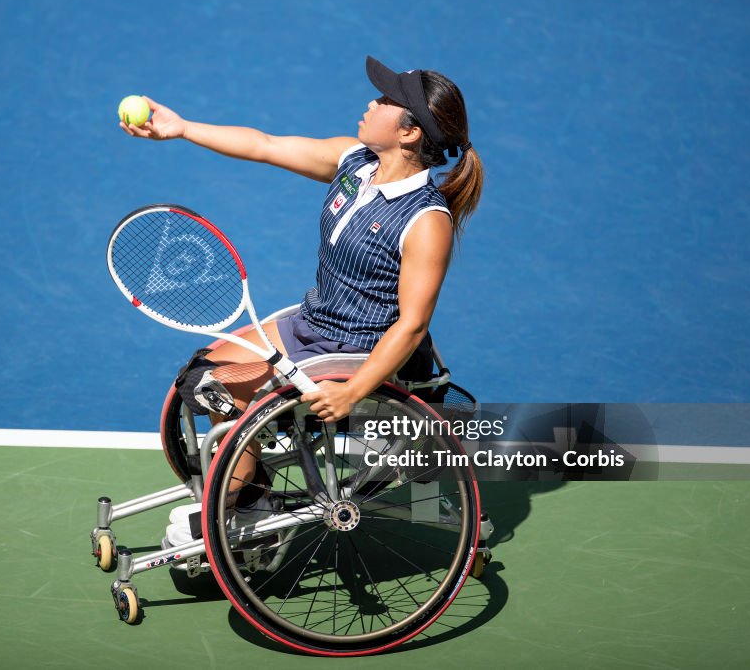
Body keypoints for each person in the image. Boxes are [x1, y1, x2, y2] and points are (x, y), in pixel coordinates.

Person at [122, 56, 483, 514]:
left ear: (409, 133)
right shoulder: (356, 162)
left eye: (388, 100)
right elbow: (267, 144)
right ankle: (250, 489)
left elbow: (412, 326)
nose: (373, 102)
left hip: (358, 347)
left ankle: (239, 501)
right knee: (201, 377)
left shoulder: (425, 220)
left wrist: (353, 392)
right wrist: (183, 127)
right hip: (315, 323)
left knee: (219, 384)